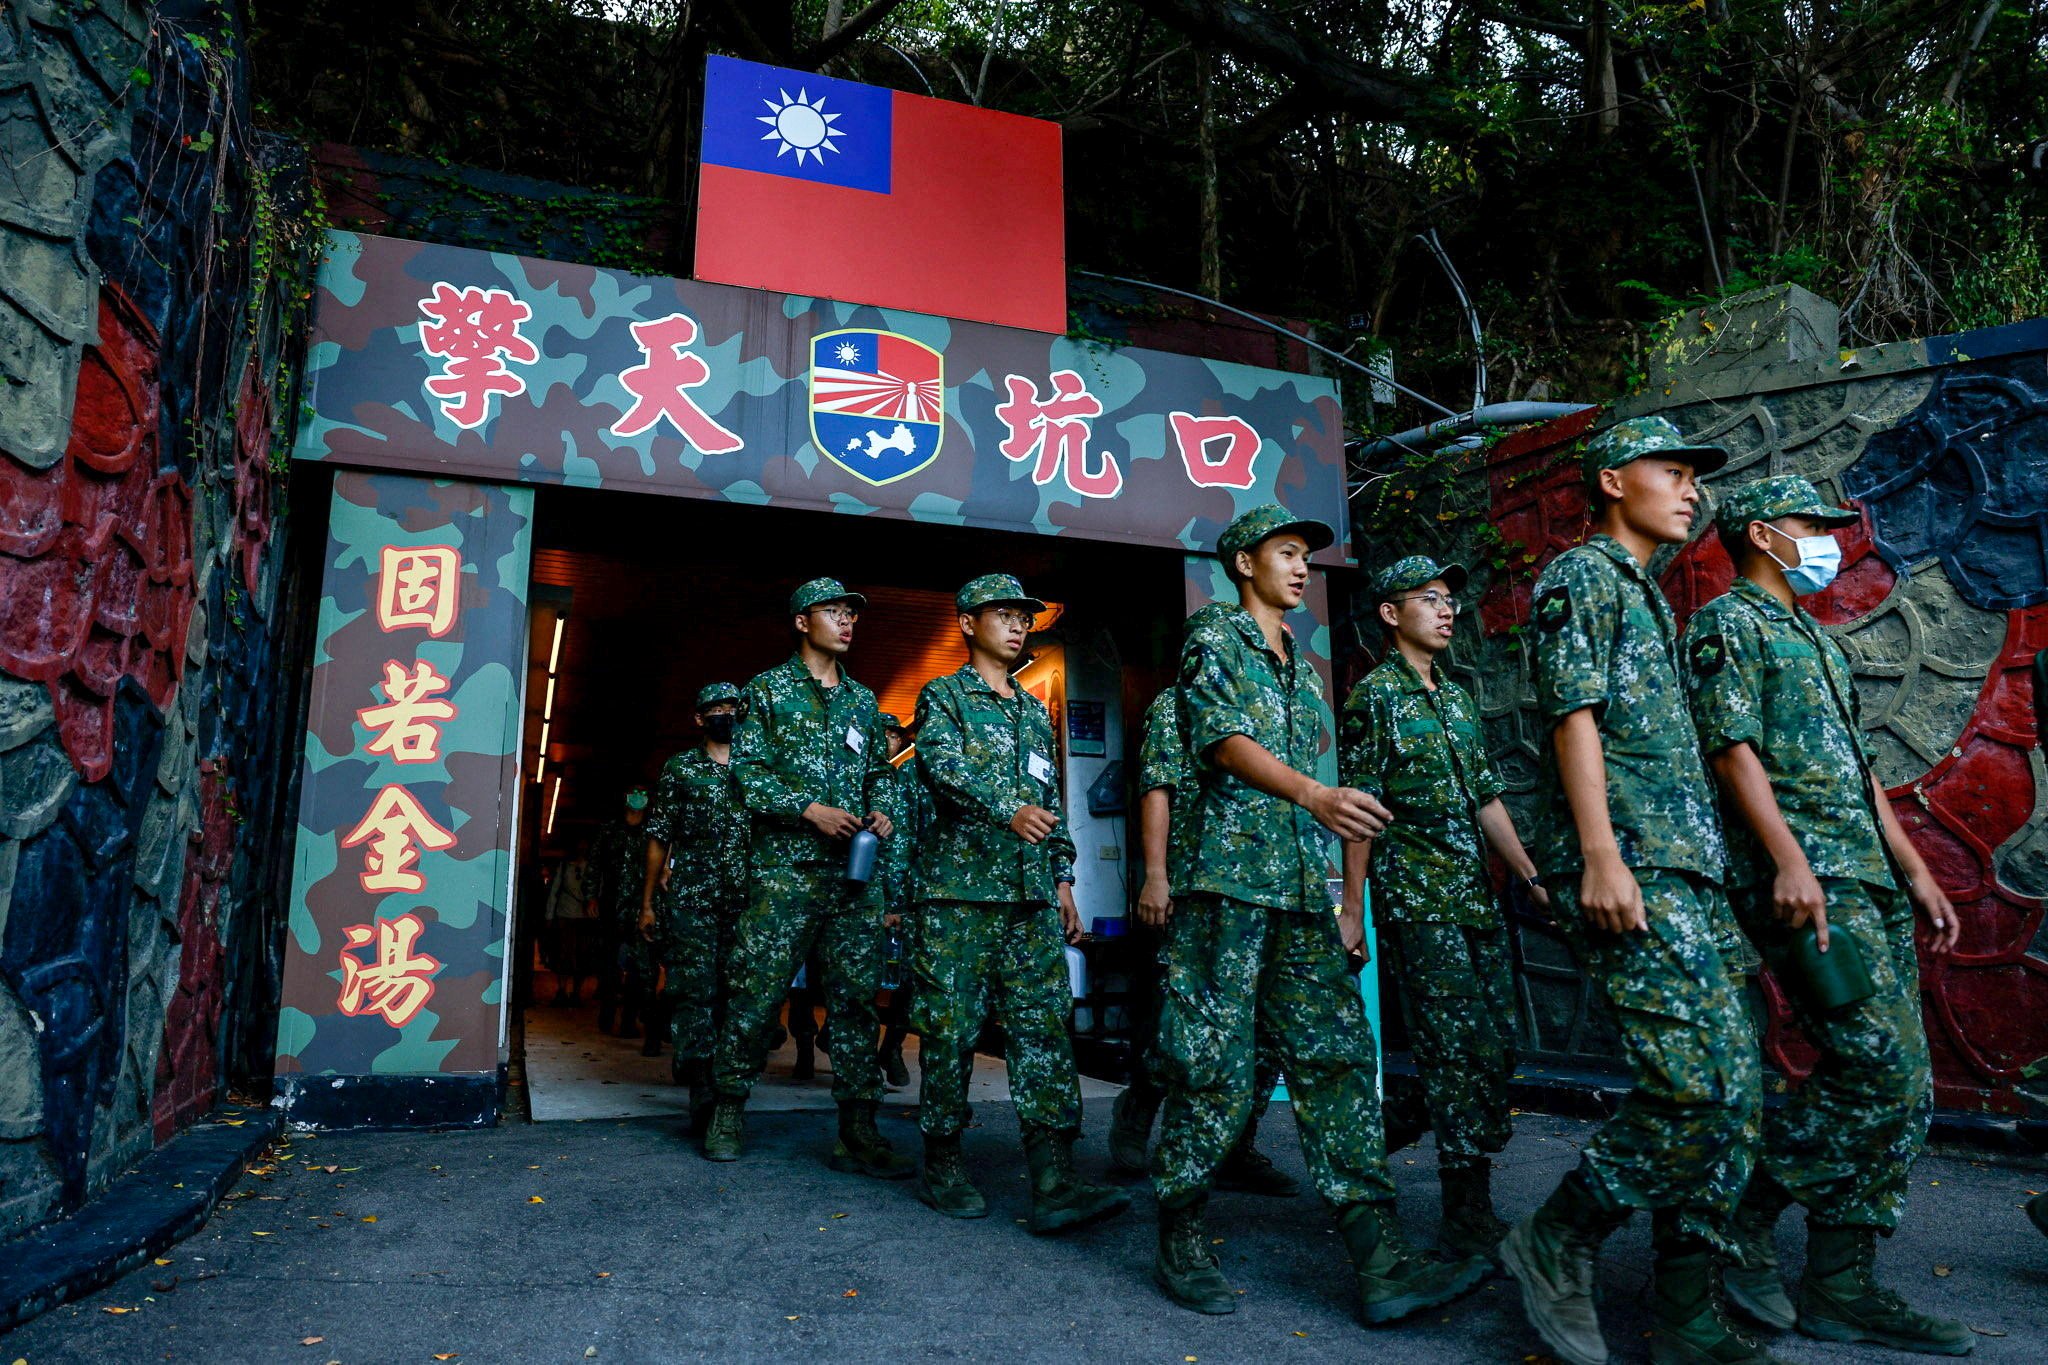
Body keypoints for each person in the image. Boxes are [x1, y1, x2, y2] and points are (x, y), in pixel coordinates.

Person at [1150, 503, 1489, 1324]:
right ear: (1243, 564)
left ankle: (1380, 1261)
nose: (1302, 568)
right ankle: (1180, 1233)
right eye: (1287, 553)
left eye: (1307, 556)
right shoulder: (1214, 641)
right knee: (1215, 1066)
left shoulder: (1303, 668)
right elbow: (1224, 740)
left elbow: (1328, 799)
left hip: (1300, 890)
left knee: (1338, 1059)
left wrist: (1345, 896)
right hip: (1230, 888)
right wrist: (1314, 793)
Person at [1681, 475, 1969, 1356]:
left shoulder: (1818, 639)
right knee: (1874, 1068)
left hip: (1866, 880)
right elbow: (1734, 752)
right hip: (1808, 884)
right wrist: (1791, 860)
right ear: (1764, 535)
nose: (1831, 540)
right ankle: (1747, 1208)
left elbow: (1860, 772)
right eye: (1813, 525)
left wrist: (1915, 867)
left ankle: (1841, 1281)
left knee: (1902, 1083)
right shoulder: (1728, 626)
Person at [1500, 416, 1766, 1365]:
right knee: (1692, 1085)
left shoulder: (1645, 594)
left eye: (1698, 476)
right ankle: (1557, 1232)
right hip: (1635, 867)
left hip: (1684, 872)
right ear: (1613, 480)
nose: (1691, 488)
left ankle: (1688, 1312)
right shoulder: (1582, 576)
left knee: (1735, 1092)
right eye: (1673, 469)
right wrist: (1603, 854)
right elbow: (1575, 718)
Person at [1339, 554, 1548, 1261]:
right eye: (1430, 598)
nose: (1447, 608)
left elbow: (1486, 798)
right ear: (1392, 614)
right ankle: (1465, 1209)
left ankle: (1374, 1132)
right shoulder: (1375, 698)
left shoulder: (1454, 699)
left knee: (1495, 1050)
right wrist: (1352, 906)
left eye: (1450, 597)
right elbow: (1361, 810)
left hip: (1472, 900)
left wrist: (1526, 872)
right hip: (1419, 904)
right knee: (1458, 1054)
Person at [907, 574, 1129, 1235]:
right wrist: (1009, 810)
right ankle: (942, 1162)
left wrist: (1063, 880)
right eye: (1003, 614)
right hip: (960, 896)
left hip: (1029, 899)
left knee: (1042, 1031)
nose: (1017, 625)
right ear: (969, 623)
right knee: (950, 1033)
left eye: (1023, 616)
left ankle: (1055, 1178)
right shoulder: (943, 695)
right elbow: (942, 768)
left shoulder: (1033, 710)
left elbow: (1051, 800)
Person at [701, 577, 907, 1178]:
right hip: (786, 874)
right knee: (756, 993)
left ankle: (858, 1128)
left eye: (852, 614)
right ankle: (728, 1110)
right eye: (833, 612)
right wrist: (807, 810)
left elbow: (881, 772)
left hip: (852, 878)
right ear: (801, 622)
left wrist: (883, 807)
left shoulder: (864, 701)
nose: (847, 622)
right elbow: (746, 774)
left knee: (855, 1003)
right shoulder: (766, 691)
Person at [1112, 685, 1299, 1200]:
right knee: (1184, 1021)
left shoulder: (1279, 700)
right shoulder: (1177, 701)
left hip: (1267, 888)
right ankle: (1140, 1105)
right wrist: (1155, 875)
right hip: (1199, 883)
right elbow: (1158, 787)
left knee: (1264, 1027)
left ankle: (1238, 1145)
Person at [641, 682, 751, 1132]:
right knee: (693, 990)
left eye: (732, 707)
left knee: (739, 993)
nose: (725, 714)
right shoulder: (681, 769)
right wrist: (647, 903)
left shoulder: (759, 767)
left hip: (748, 902)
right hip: (693, 899)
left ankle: (731, 1084)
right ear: (699, 718)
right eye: (716, 709)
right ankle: (701, 1085)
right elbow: (659, 835)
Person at [874, 713, 925, 1090]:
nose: (891, 740)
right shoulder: (900, 778)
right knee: (856, 981)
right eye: (885, 734)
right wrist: (891, 902)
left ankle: (890, 1047)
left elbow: (905, 843)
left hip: (913, 896)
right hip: (862, 892)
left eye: (896, 734)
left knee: (909, 982)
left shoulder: (910, 776)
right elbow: (897, 845)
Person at [588, 790, 654, 1038]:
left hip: (642, 907)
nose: (638, 798)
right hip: (611, 905)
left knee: (639, 967)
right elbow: (594, 864)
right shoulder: (609, 829)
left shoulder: (653, 831)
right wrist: (591, 895)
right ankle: (607, 1013)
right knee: (608, 964)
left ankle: (629, 1021)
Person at [543, 838, 596, 1005]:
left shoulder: (592, 869)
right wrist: (549, 915)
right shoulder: (565, 867)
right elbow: (554, 891)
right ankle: (562, 989)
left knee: (582, 955)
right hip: (565, 915)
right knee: (564, 954)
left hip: (585, 917)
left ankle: (576, 992)